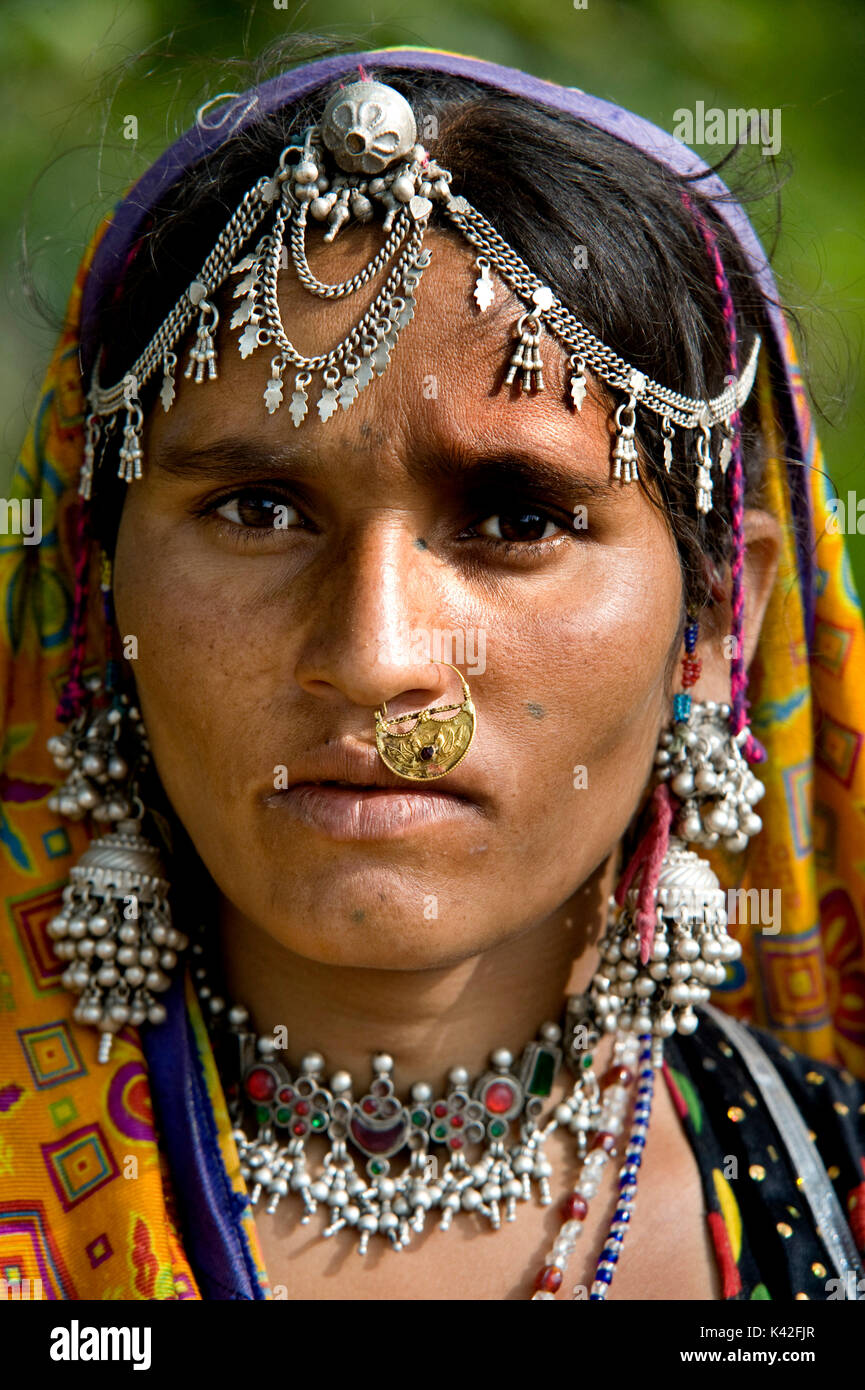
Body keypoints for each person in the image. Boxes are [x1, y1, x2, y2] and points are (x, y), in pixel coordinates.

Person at [1, 43, 863, 1304]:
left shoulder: (826, 1197)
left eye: (516, 521)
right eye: (256, 508)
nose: (376, 659)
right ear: (97, 578)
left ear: (719, 611)